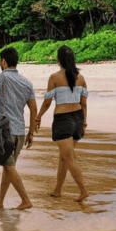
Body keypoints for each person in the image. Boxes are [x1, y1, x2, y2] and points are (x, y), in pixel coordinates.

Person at [0, 47, 38, 210]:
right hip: (19, 131)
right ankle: (0, 201)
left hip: (4, 132)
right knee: (8, 167)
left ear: (4, 62)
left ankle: (26, 200)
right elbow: (34, 109)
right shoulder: (27, 83)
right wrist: (31, 131)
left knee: (8, 166)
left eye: (0, 60)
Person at [36, 45, 89, 202]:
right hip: (78, 118)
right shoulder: (81, 78)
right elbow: (84, 103)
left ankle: (83, 191)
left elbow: (47, 102)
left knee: (69, 157)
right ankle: (57, 190)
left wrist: (38, 117)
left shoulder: (55, 77)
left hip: (63, 120)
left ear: (58, 60)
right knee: (64, 157)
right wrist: (84, 123)